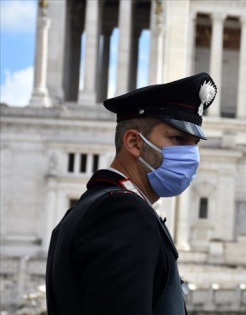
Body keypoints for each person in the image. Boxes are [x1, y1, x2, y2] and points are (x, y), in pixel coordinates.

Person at [46, 72, 217, 314]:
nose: (191, 156)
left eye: (194, 144)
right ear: (135, 143)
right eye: (178, 139)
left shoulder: (93, 207)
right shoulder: (124, 213)